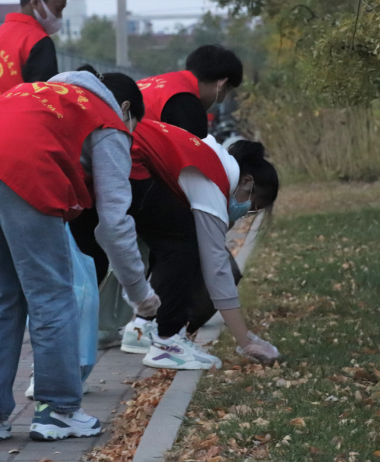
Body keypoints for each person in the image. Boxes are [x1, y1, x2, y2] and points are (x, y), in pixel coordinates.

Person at [0, 69, 160, 444]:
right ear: (125, 110)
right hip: (22, 166)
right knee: (51, 295)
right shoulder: (108, 120)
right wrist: (140, 294)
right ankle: (58, 410)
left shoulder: (38, 94)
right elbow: (114, 224)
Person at [72, 119, 280, 368]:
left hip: (86, 160)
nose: (245, 212)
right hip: (124, 161)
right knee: (182, 240)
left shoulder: (208, 154)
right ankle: (167, 343)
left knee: (89, 265)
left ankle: (63, 358)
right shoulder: (213, 178)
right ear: (246, 181)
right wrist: (245, 340)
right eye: (252, 206)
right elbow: (217, 269)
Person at [136, 44, 244, 139]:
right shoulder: (187, 105)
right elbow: (194, 153)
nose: (222, 99)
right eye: (226, 92)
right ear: (221, 84)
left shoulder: (155, 83)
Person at [0, 0, 65, 106]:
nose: (60, 16)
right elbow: (45, 100)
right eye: (58, 9)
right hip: (22, 115)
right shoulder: (37, 40)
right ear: (36, 2)